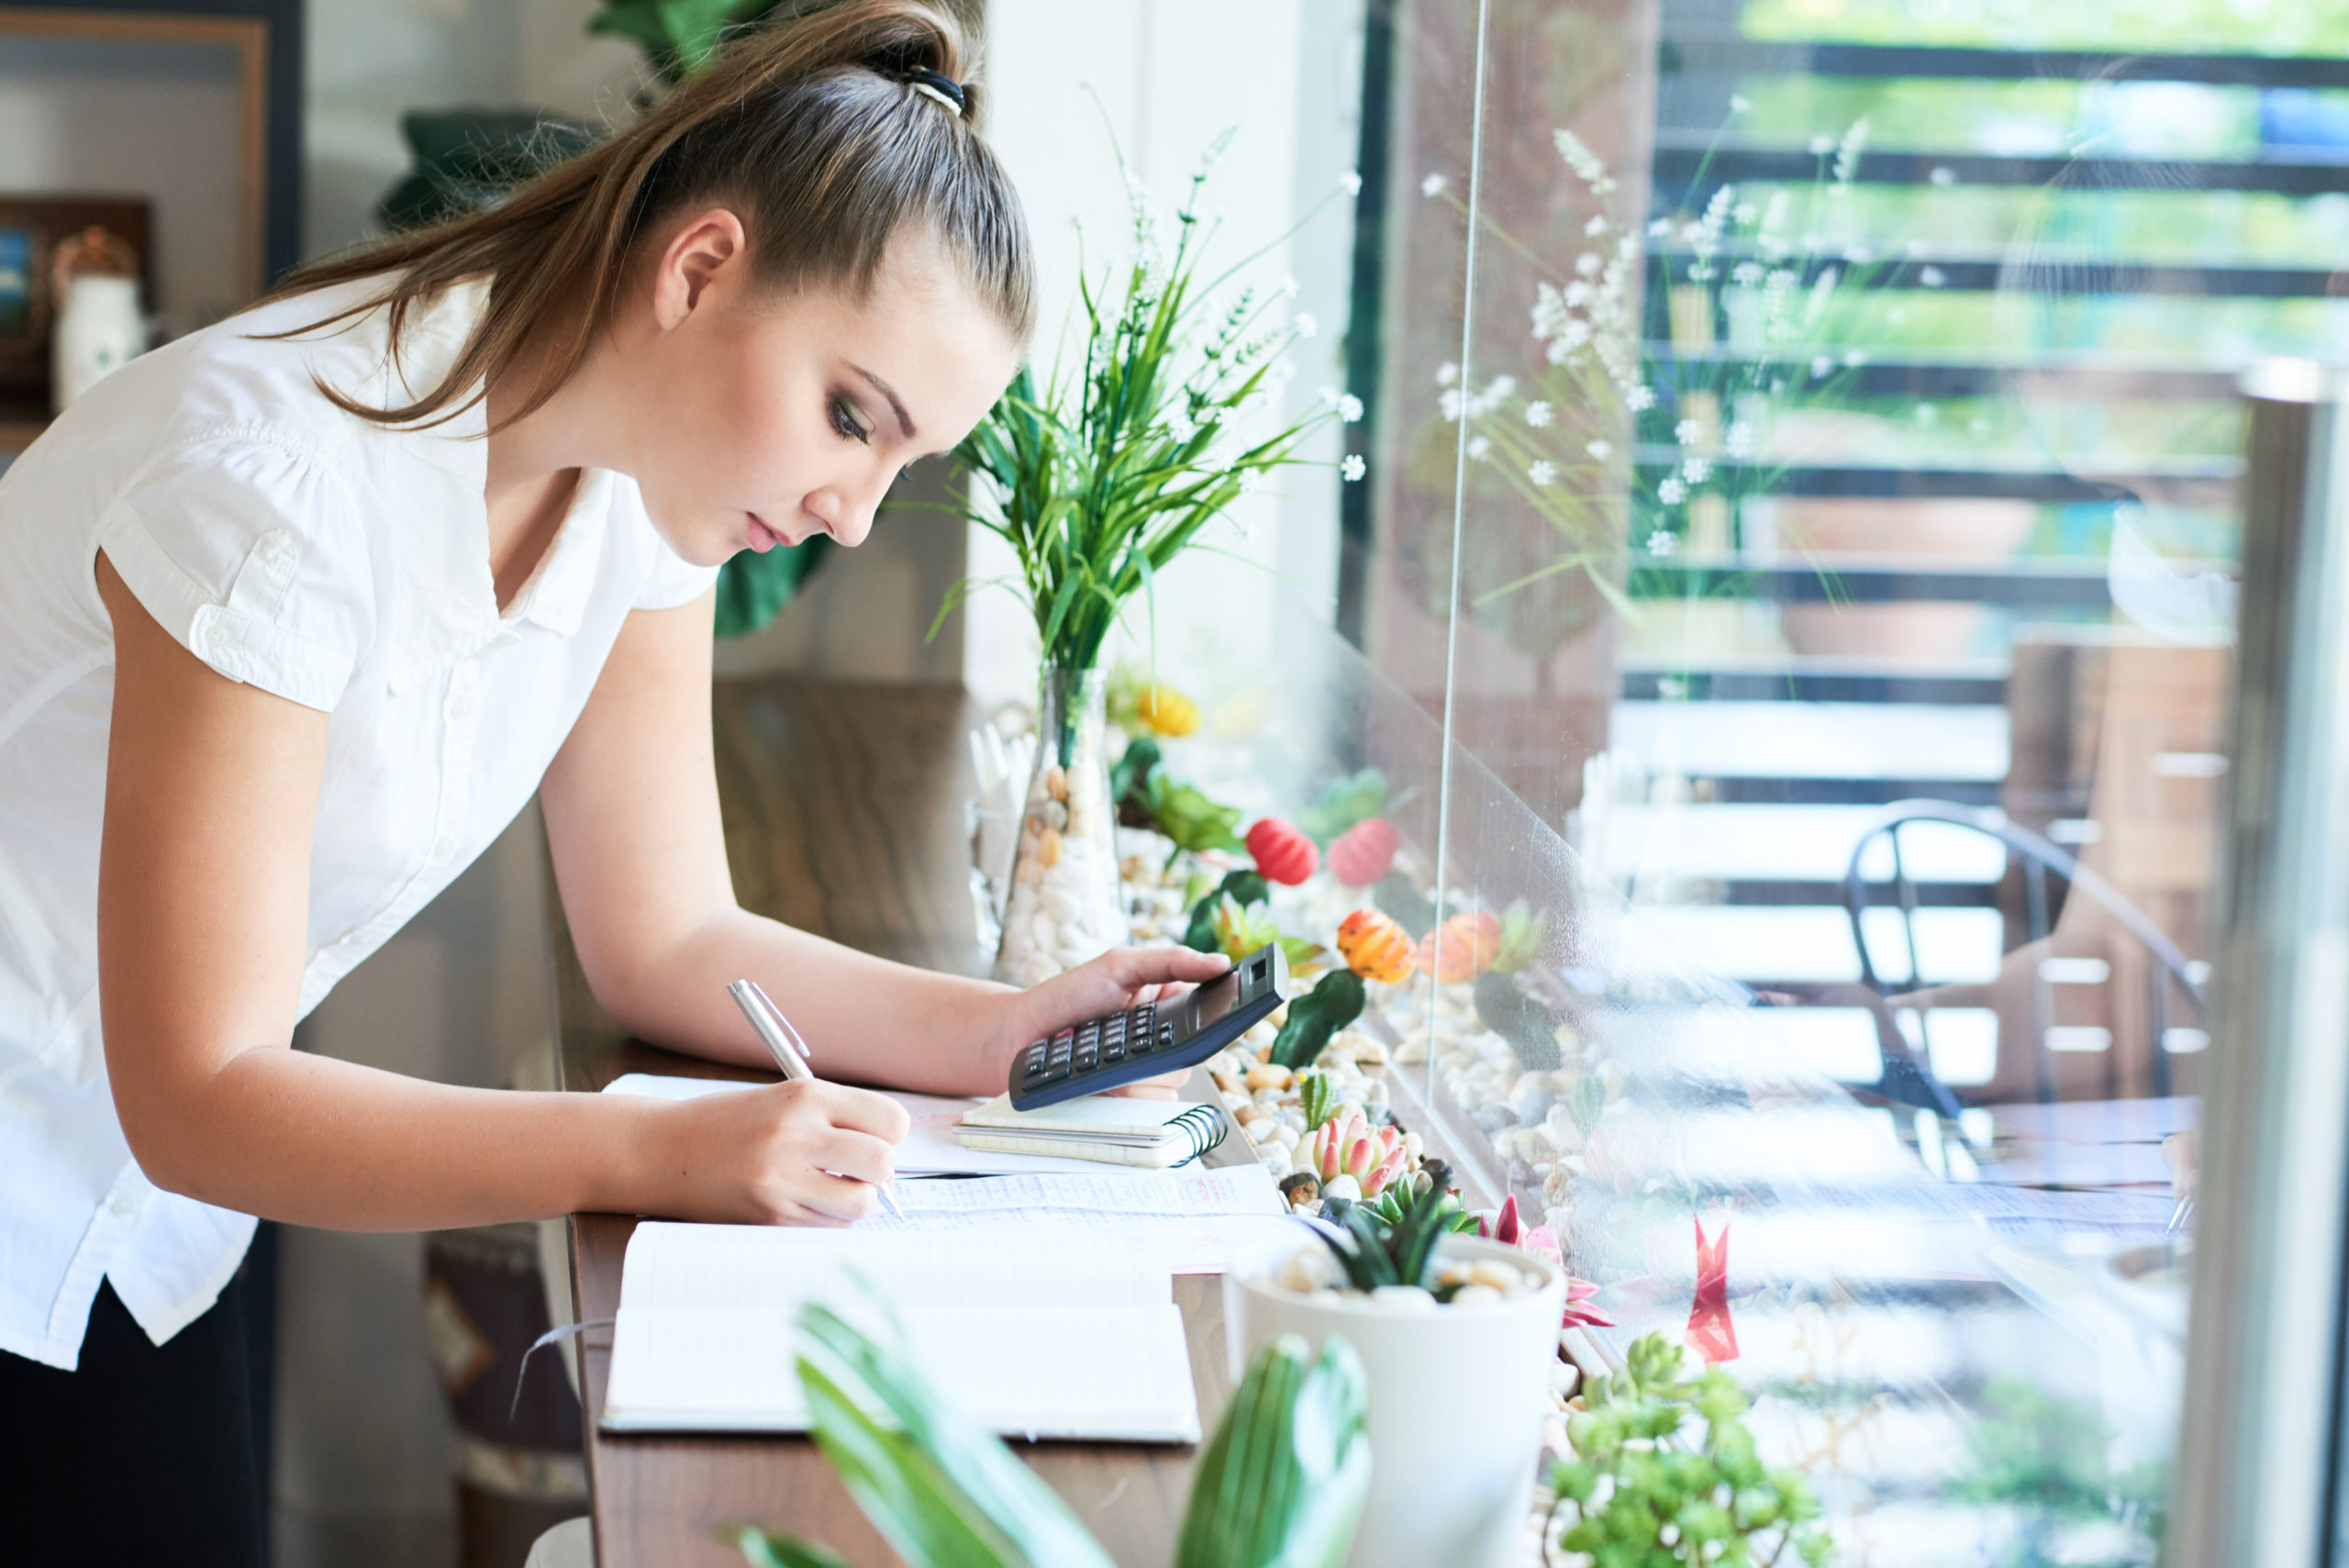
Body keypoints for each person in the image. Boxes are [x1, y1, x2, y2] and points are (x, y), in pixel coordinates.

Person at [0, 2, 1227, 1561]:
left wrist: (995, 1033)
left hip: (149, 1221)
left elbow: (665, 933)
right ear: (699, 268)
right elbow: (203, 1093)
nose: (854, 513)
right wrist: (652, 1148)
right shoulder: (275, 491)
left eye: (901, 465)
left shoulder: (649, 483)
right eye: (851, 415)